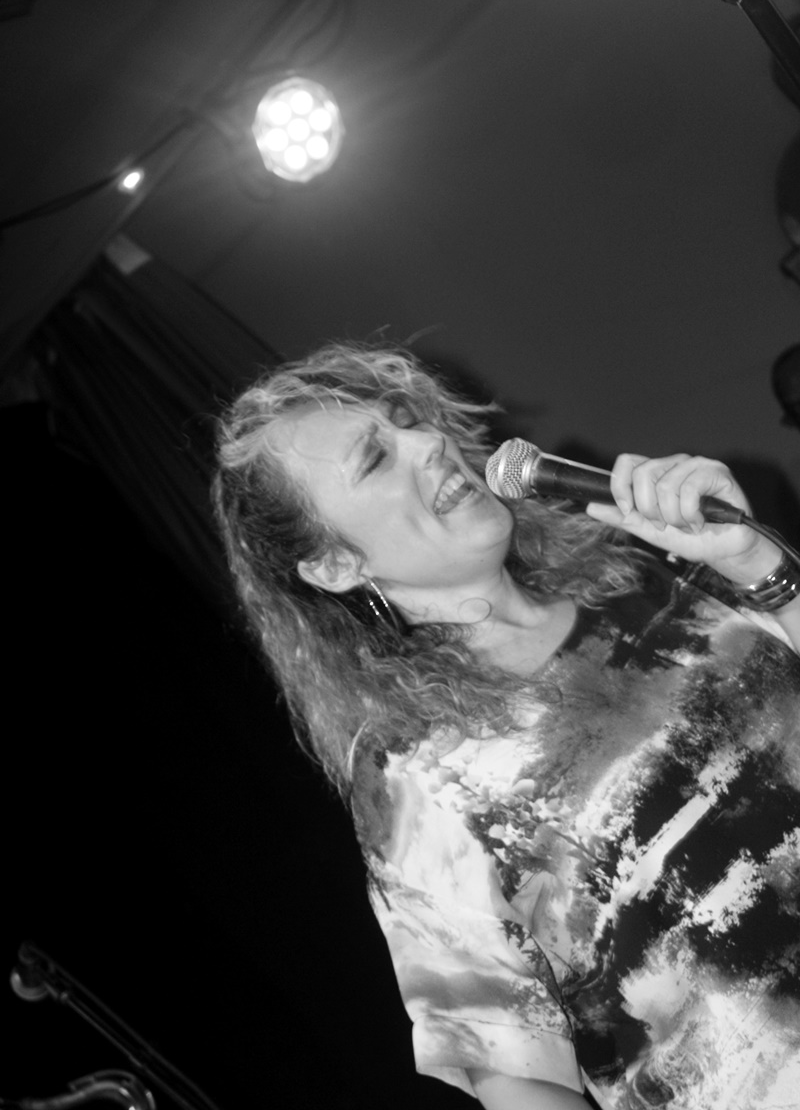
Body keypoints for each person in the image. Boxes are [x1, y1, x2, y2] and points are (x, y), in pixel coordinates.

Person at [213, 341, 800, 1110]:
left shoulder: (641, 572)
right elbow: (518, 1080)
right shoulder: (415, 775)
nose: (429, 443)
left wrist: (757, 562)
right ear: (334, 566)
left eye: (409, 421)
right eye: (376, 459)